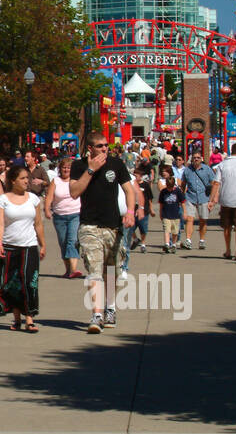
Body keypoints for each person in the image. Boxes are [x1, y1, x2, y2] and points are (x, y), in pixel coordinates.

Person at [70, 132, 135, 333]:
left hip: (113, 226)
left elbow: (129, 190)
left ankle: (110, 308)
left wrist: (131, 212)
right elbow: (74, 192)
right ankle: (96, 315)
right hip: (89, 226)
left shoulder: (116, 164)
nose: (104, 149)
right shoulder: (79, 166)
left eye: (106, 145)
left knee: (112, 272)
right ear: (90, 148)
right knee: (95, 271)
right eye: (100, 146)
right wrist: (91, 170)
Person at [0, 161, 46, 332]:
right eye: (22, 178)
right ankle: (16, 319)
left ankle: (29, 318)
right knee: (13, 285)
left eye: (27, 178)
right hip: (10, 246)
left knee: (29, 282)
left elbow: (38, 224)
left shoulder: (33, 199)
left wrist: (43, 244)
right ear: (13, 180)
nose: (26, 181)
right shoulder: (3, 200)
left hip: (29, 246)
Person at [208, 144, 236, 260]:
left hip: (226, 199)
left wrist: (211, 200)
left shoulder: (223, 164)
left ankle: (228, 251)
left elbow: (216, 183)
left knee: (227, 226)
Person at [44, 155, 82, 278]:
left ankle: (74, 269)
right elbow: (49, 196)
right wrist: (47, 209)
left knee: (73, 241)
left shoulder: (76, 180)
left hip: (75, 214)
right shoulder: (56, 181)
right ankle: (68, 270)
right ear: (60, 169)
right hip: (59, 216)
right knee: (63, 242)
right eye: (64, 168)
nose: (66, 170)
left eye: (69, 168)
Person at [179, 152, 212, 249]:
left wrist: (213, 198)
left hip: (204, 197)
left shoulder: (207, 169)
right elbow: (183, 183)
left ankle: (202, 240)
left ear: (201, 159)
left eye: (198, 157)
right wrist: (182, 196)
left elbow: (213, 182)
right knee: (189, 219)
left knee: (203, 220)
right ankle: (188, 240)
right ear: (191, 159)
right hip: (190, 197)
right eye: (194, 157)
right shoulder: (187, 170)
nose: (196, 159)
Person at [130, 160, 154, 252]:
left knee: (143, 228)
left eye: (137, 175)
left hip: (144, 210)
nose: (135, 176)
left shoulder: (145, 185)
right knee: (130, 228)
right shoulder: (131, 185)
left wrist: (151, 209)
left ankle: (143, 244)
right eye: (134, 175)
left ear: (140, 176)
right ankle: (136, 239)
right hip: (133, 210)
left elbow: (149, 198)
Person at [158, 171, 183, 252]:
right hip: (166, 214)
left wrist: (184, 212)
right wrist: (160, 213)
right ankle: (167, 244)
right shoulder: (163, 192)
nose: (169, 189)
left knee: (175, 232)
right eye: (168, 187)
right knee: (167, 230)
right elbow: (161, 204)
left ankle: (174, 244)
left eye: (170, 188)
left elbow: (183, 202)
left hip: (175, 214)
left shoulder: (177, 191)